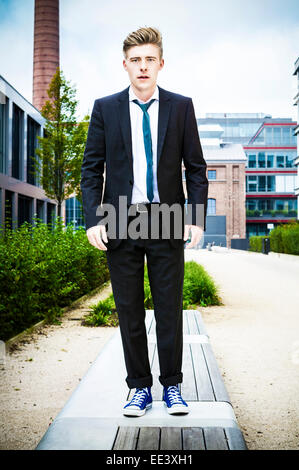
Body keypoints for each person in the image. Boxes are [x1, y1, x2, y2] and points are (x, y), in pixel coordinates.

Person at [80, 26, 208, 417]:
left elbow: (196, 168)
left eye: (149, 59)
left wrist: (196, 219)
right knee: (130, 309)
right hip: (121, 218)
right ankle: (138, 388)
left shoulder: (181, 106)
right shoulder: (106, 107)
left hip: (167, 218)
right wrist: (92, 219)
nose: (142, 66)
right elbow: (91, 169)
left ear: (161, 64)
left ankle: (172, 388)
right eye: (135, 60)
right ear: (125, 65)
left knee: (169, 308)